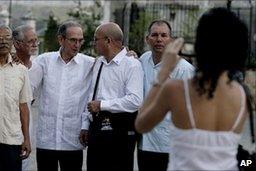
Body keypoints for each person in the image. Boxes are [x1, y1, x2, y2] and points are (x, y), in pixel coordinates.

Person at [135, 7, 250, 170]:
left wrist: (162, 75)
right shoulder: (242, 94)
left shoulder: (176, 88)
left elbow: (141, 124)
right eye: (155, 35)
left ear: (201, 44)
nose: (159, 39)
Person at [29, 21, 94, 171]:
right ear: (61, 40)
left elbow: (112, 63)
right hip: (47, 139)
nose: (77, 45)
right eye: (73, 40)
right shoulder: (44, 61)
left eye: (80, 40)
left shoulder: (89, 64)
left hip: (72, 139)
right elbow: (28, 91)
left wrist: (128, 54)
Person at [138, 20, 194, 171]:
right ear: (147, 39)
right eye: (154, 35)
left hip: (171, 145)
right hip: (145, 143)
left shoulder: (184, 69)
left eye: (164, 35)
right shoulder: (142, 60)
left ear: (171, 40)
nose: (159, 39)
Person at [86, 22, 143, 171]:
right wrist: (85, 126)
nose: (93, 43)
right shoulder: (98, 62)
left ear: (108, 41)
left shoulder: (132, 65)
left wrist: (102, 105)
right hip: (97, 130)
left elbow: (135, 100)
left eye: (96, 39)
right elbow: (91, 95)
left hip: (120, 134)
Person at [0, 24, 32, 171]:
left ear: (13, 42)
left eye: (7, 38)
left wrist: (27, 138)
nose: (4, 42)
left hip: (12, 138)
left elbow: (23, 107)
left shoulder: (21, 70)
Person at [12, 24, 39, 170]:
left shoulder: (39, 67)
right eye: (30, 41)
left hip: (27, 132)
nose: (35, 44)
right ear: (16, 44)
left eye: (36, 40)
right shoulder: (6, 65)